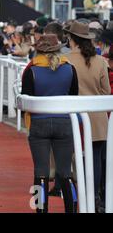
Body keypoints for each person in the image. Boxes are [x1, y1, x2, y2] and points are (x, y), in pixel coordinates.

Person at [21, 34, 79, 213]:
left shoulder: (32, 70)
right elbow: (73, 96)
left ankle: (41, 210)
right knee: (65, 172)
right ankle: (71, 209)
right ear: (58, 48)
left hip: (39, 123)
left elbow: (26, 100)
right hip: (64, 122)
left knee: (41, 172)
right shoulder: (70, 69)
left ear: (38, 49)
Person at [65, 22, 111, 213]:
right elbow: (106, 91)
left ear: (71, 39)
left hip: (73, 117)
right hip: (98, 118)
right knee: (96, 160)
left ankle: (78, 201)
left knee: (74, 160)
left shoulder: (64, 59)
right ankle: (95, 198)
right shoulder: (100, 61)